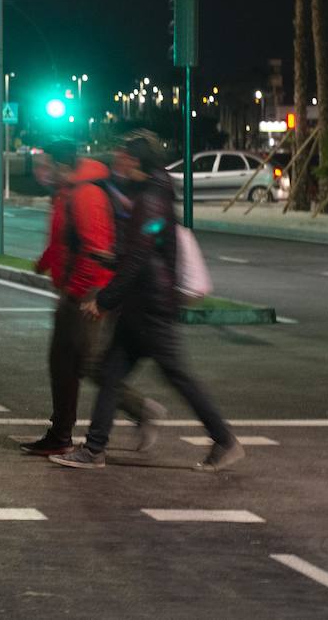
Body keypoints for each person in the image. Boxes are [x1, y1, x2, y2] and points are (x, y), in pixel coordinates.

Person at [51, 131, 244, 472]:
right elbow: (142, 249)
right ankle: (94, 449)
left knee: (178, 375)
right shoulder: (149, 192)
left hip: (151, 306)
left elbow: (141, 254)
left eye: (124, 156)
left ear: (137, 161)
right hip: (141, 305)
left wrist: (105, 299)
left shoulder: (152, 197)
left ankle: (224, 440)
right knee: (110, 374)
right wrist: (112, 259)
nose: (118, 162)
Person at [20, 138, 162, 457]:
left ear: (62, 165)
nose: (41, 171)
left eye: (46, 164)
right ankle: (59, 434)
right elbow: (64, 239)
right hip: (73, 288)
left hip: (88, 290)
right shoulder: (67, 191)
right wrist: (44, 263)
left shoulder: (86, 194)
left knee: (87, 363)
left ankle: (143, 411)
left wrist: (77, 290)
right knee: (62, 364)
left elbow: (95, 249)